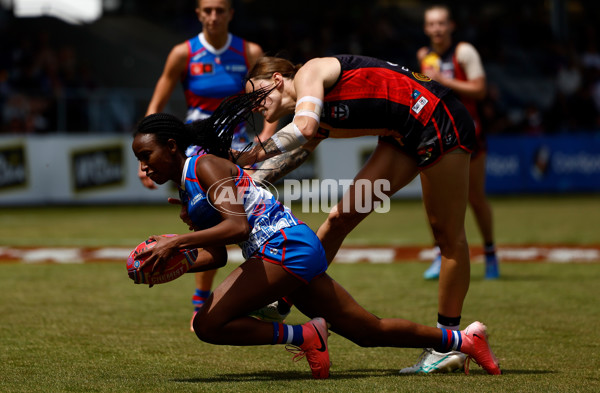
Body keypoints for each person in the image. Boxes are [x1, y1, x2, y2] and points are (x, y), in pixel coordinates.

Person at [130, 101, 502, 379]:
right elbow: (215, 255)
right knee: (367, 331)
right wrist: (175, 263)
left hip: (284, 248)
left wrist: (173, 243)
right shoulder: (188, 189)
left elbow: (238, 228)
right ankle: (464, 341)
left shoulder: (204, 166)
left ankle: (306, 335)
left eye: (147, 155)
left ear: (172, 146)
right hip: (287, 253)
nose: (143, 167)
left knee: (207, 325)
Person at [235, 54, 480, 375]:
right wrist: (237, 184)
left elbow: (304, 128)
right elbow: (293, 152)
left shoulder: (309, 74)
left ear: (278, 80)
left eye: (257, 94)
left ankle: (447, 346)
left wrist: (254, 151)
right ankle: (282, 301)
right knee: (340, 218)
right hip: (403, 134)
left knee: (447, 236)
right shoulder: (310, 113)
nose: (255, 105)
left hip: (436, 116)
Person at [140, 0, 278, 331]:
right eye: (207, 10)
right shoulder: (182, 53)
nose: (213, 16)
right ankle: (205, 301)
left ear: (231, 13)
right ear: (198, 14)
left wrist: (263, 148)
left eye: (220, 10)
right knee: (205, 222)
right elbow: (156, 106)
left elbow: (269, 100)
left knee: (250, 219)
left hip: (239, 153)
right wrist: (145, 160)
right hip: (193, 154)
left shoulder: (249, 51)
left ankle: (268, 291)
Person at [417, 4, 500, 283]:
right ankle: (440, 255)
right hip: (438, 135)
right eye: (432, 24)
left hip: (470, 134)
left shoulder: (464, 52)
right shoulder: (424, 56)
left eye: (442, 23)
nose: (437, 29)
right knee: (436, 201)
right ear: (426, 28)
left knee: (475, 198)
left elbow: (480, 89)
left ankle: (490, 253)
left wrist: (444, 81)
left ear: (451, 26)